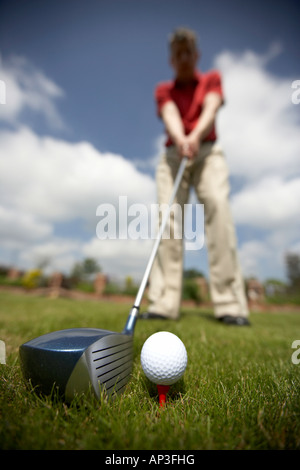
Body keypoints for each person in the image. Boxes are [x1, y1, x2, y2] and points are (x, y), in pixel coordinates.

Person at [141, 27, 250, 326]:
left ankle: (230, 305)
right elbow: (170, 116)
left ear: (197, 54)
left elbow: (212, 108)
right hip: (174, 154)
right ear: (171, 60)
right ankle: (163, 302)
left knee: (217, 207)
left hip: (207, 150)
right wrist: (181, 138)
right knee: (168, 219)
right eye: (178, 54)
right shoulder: (164, 89)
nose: (184, 57)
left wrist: (195, 135)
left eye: (188, 51)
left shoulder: (212, 79)